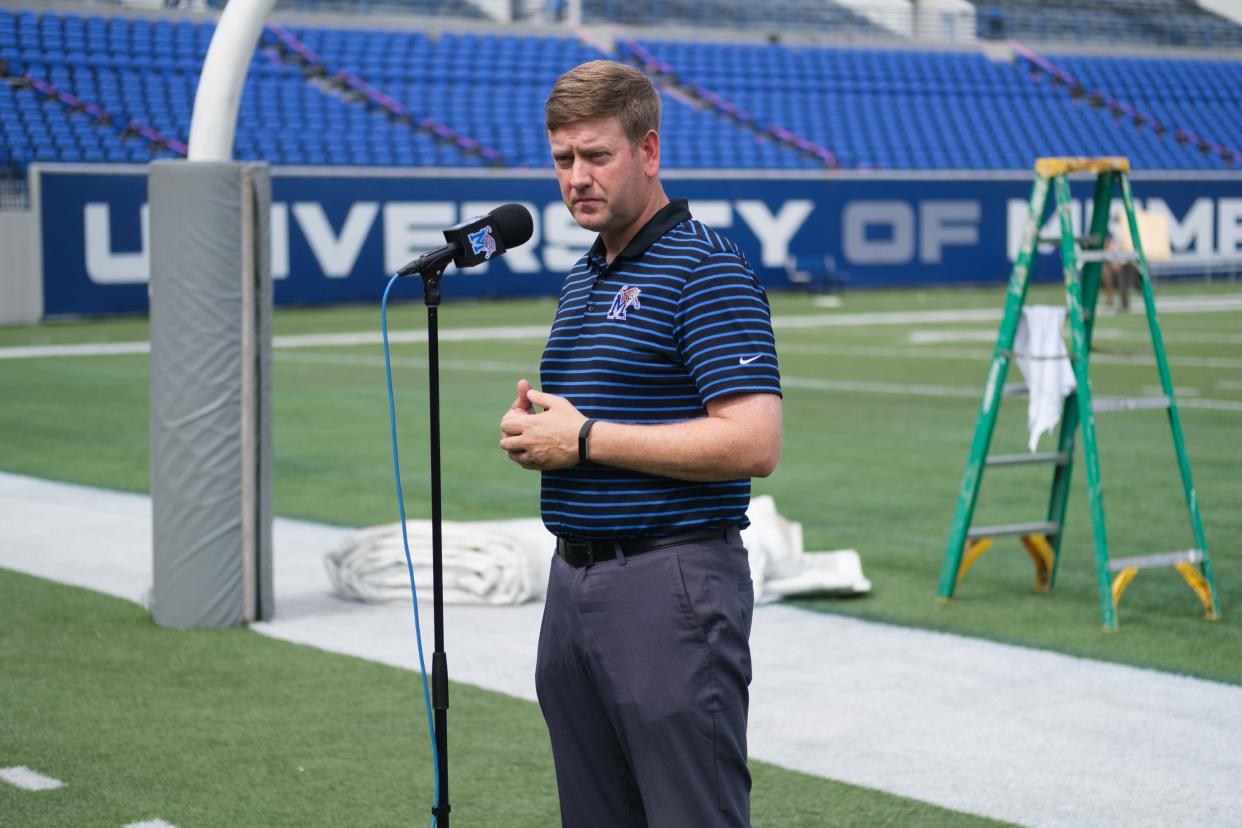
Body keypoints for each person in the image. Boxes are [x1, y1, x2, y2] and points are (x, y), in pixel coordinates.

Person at [498, 60, 783, 827]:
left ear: (648, 151)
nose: (577, 178)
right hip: (574, 579)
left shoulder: (705, 266)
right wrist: (540, 432)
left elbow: (754, 442)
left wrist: (583, 439)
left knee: (691, 812)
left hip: (672, 577)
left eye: (597, 156)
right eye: (563, 160)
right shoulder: (586, 275)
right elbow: (596, 425)